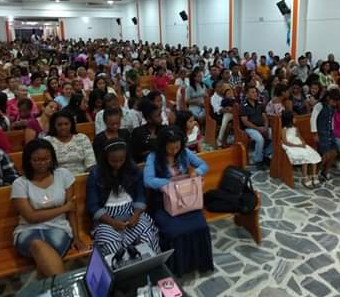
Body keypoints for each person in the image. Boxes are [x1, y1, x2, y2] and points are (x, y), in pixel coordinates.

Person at [11, 139, 86, 277]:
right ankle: (63, 287)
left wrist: (76, 237)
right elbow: (31, 217)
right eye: (36, 160)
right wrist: (63, 208)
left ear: (52, 158)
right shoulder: (20, 183)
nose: (41, 163)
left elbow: (72, 211)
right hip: (28, 230)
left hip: (59, 227)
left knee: (44, 254)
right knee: (37, 245)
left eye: (46, 159)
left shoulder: (63, 175)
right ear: (28, 160)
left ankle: (49, 285)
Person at [143, 127, 213, 276]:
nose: (175, 150)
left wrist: (196, 172)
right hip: (163, 202)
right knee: (174, 231)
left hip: (185, 200)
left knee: (200, 225)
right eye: (171, 148)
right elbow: (148, 180)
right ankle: (178, 268)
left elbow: (204, 165)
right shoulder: (153, 157)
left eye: (178, 146)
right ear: (163, 145)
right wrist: (168, 182)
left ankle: (199, 264)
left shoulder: (184, 152)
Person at [86, 138, 160, 256]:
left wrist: (135, 216)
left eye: (121, 160)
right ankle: (124, 272)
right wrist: (113, 222)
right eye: (113, 161)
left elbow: (140, 196)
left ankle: (149, 269)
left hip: (131, 211)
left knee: (147, 235)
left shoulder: (133, 170)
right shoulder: (96, 174)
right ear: (105, 159)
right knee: (112, 245)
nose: (118, 164)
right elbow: (92, 205)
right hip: (106, 218)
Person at [44, 110, 96, 175]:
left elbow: (91, 163)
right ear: (54, 126)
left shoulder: (82, 138)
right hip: (57, 179)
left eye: (66, 124)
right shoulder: (47, 141)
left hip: (82, 176)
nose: (63, 127)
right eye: (59, 125)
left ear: (72, 124)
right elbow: (46, 167)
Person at [281, 111, 321, 189]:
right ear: (289, 120)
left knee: (312, 153)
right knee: (304, 156)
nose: (295, 119)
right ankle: (305, 177)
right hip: (291, 145)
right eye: (294, 118)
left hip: (299, 144)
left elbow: (300, 137)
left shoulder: (295, 128)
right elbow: (285, 141)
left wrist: (303, 143)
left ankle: (314, 175)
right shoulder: (284, 129)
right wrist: (297, 145)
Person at [310, 89, 340, 181]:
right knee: (326, 154)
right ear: (328, 98)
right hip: (321, 132)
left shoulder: (332, 108)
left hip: (329, 132)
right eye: (334, 100)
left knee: (334, 153)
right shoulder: (319, 106)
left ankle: (325, 171)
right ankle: (315, 173)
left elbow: (331, 120)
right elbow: (313, 119)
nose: (335, 103)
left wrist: (333, 130)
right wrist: (315, 133)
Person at [240, 86, 272, 169]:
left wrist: (265, 126)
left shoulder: (260, 104)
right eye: (252, 92)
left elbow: (265, 117)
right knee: (259, 139)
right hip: (250, 128)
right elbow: (245, 122)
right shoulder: (244, 106)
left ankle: (266, 154)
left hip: (262, 126)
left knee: (275, 134)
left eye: (256, 92)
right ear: (247, 95)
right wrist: (258, 129)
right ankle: (258, 160)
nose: (255, 94)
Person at [210, 80, 233, 147]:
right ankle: (223, 140)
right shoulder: (213, 98)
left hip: (231, 113)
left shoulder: (226, 93)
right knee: (228, 119)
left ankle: (220, 138)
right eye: (219, 87)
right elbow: (218, 110)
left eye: (222, 86)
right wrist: (227, 109)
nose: (222, 88)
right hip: (218, 115)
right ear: (215, 89)